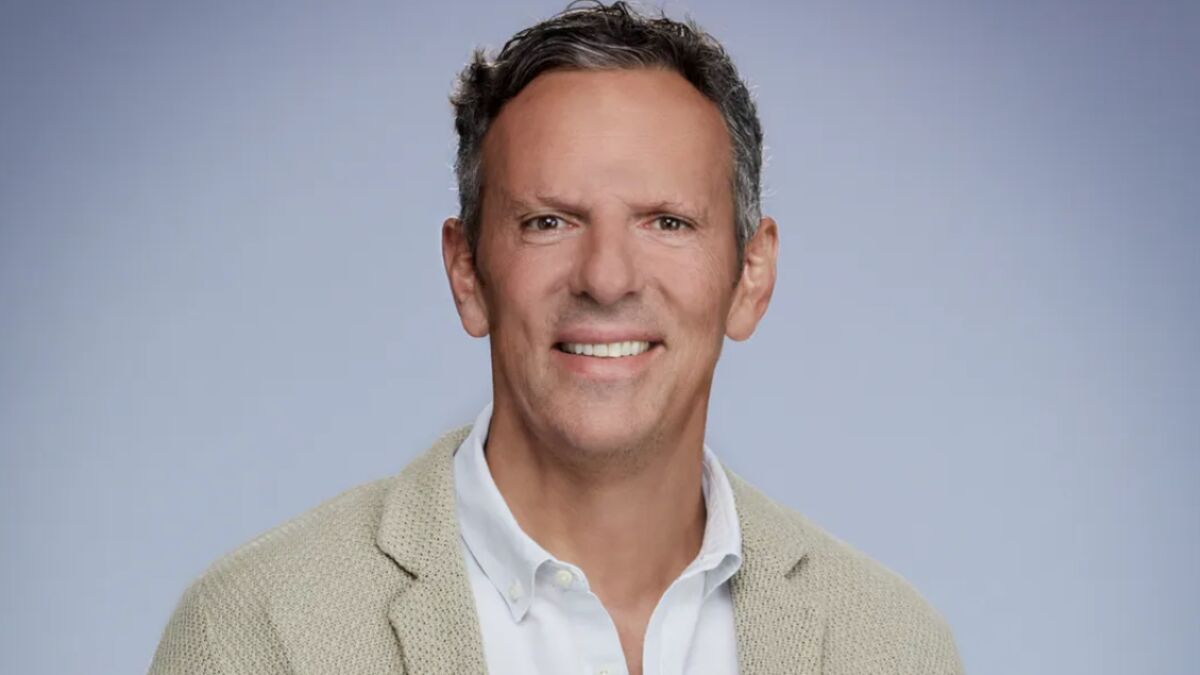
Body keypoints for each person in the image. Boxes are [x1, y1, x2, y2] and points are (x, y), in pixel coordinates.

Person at [149, 3, 963, 674]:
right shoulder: (259, 633)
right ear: (467, 272)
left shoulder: (892, 648)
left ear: (751, 277)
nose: (606, 277)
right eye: (549, 221)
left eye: (667, 222)